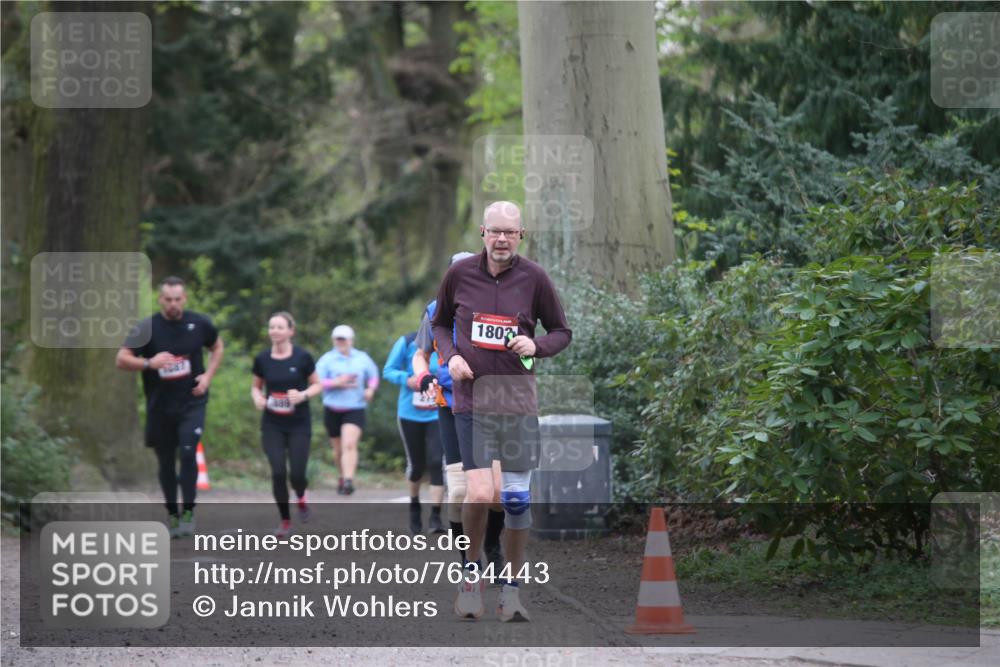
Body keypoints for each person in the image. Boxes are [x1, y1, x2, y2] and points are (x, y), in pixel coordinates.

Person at [431, 202, 572, 622]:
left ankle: (511, 590)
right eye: (495, 231)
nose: (502, 239)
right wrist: (452, 356)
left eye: (510, 232)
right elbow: (439, 324)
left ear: (521, 236)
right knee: (478, 494)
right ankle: (470, 577)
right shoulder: (459, 274)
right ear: (482, 232)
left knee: (514, 500)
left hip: (516, 403)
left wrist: (536, 345)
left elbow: (562, 332)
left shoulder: (535, 278)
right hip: (472, 402)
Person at [412, 252, 506, 570]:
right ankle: (467, 559)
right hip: (451, 406)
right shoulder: (435, 311)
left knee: (497, 493)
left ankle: (492, 545)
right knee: (460, 491)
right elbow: (420, 355)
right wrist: (424, 376)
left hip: (493, 406)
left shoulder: (497, 308)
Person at [116, 276, 224, 538]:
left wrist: (207, 377)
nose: (173, 304)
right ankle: (172, 513)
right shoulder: (147, 328)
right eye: (168, 299)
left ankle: (188, 511)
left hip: (192, 402)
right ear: (160, 299)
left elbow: (217, 346)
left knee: (187, 452)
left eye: (177, 299)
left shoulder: (199, 323)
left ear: (184, 299)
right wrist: (148, 363)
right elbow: (121, 359)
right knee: (165, 462)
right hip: (160, 407)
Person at [251, 312, 321, 537]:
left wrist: (302, 395)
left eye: (280, 327)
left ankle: (301, 497)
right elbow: (256, 387)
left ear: (291, 331)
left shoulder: (302, 357)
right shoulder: (262, 359)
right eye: (272, 327)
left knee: (297, 474)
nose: (275, 331)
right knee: (279, 471)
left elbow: (317, 385)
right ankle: (285, 521)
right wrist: (257, 398)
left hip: (299, 424)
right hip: (272, 424)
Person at [383, 331, 444, 535]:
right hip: (410, 414)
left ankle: (435, 516)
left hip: (438, 413)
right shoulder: (408, 341)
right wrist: (406, 379)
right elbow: (388, 370)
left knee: (437, 461)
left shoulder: (449, 340)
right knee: (417, 466)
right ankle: (414, 507)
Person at [316, 325, 379, 495]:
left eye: (344, 339)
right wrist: (335, 382)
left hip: (355, 407)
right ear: (333, 340)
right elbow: (316, 382)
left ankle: (349, 481)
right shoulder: (326, 360)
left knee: (349, 444)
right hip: (332, 408)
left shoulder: (362, 358)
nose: (341, 342)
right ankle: (342, 476)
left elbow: (373, 375)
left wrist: (370, 389)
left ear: (351, 340)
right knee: (338, 450)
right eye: (338, 339)